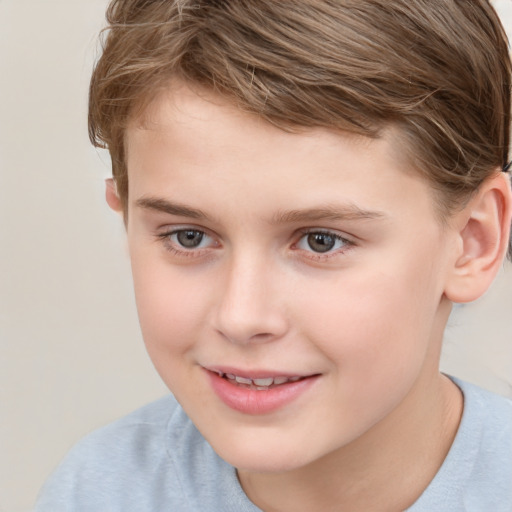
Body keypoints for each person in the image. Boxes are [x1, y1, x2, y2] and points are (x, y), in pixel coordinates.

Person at [35, 1, 512, 510]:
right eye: (189, 237)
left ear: (472, 243)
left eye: (320, 241)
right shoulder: (93, 493)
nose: (242, 317)